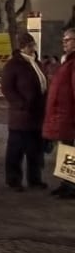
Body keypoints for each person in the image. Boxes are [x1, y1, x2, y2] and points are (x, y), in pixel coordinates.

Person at [0, 32, 49, 190]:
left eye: (33, 45)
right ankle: (14, 180)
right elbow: (7, 88)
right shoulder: (14, 64)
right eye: (30, 45)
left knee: (35, 150)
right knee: (16, 149)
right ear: (23, 47)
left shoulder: (36, 62)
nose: (33, 48)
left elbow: (42, 82)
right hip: (21, 116)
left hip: (37, 114)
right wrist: (20, 104)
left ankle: (35, 179)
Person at [46, 27, 75, 199]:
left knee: (71, 151)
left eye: (68, 40)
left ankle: (71, 185)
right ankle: (66, 183)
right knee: (65, 150)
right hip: (63, 115)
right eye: (63, 40)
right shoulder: (67, 61)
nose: (64, 43)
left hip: (70, 115)